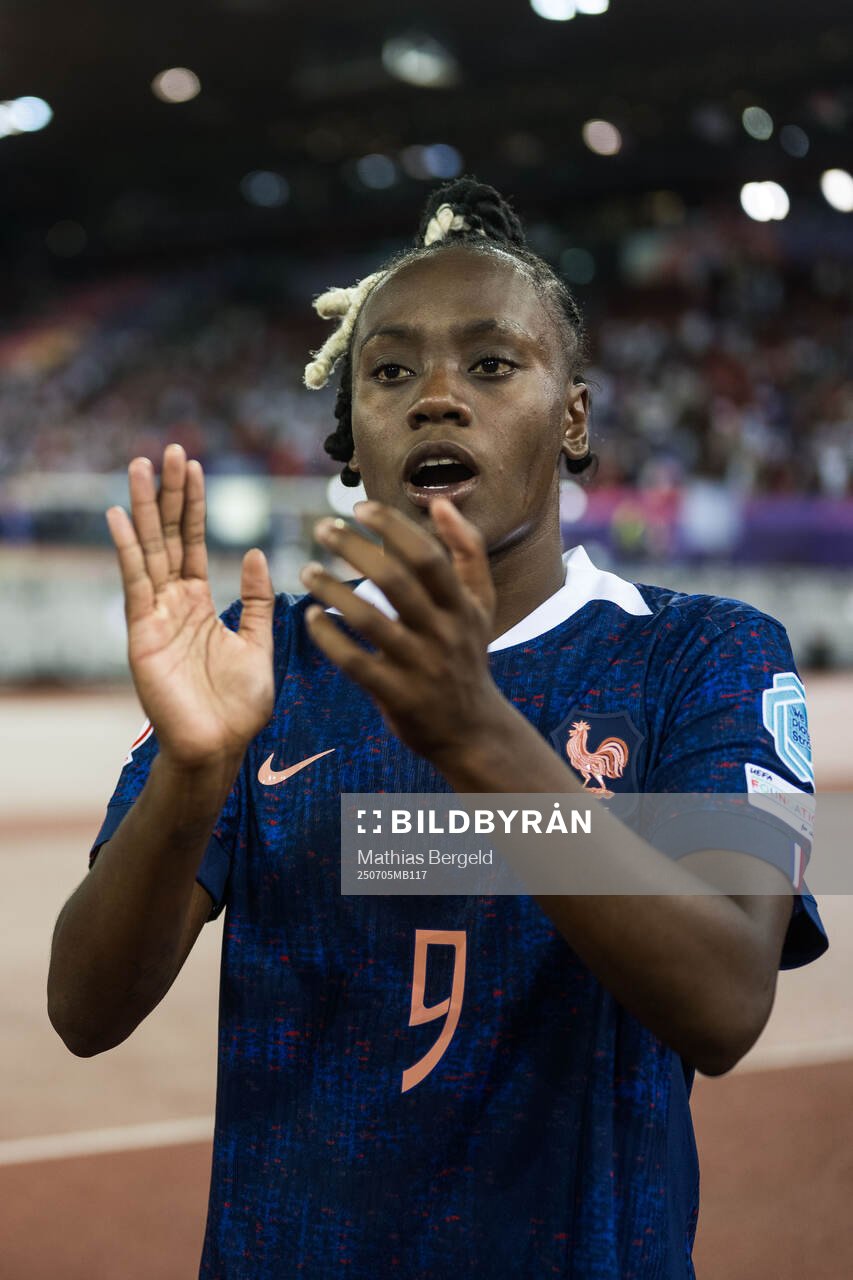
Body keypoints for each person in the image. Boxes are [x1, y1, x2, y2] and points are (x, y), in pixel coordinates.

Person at [48, 178, 828, 1279]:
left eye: (492, 363)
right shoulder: (259, 663)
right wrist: (195, 770)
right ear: (349, 433)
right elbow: (84, 1007)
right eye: (391, 370)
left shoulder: (702, 656)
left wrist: (477, 735)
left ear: (574, 414)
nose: (436, 398)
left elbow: (726, 1001)